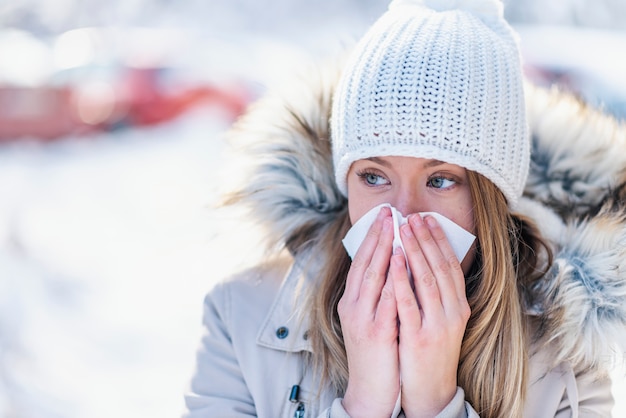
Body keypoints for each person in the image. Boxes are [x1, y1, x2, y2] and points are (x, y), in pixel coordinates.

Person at [184, 0, 626, 416]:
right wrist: (363, 404)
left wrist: (437, 403)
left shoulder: (569, 355)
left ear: (490, 201)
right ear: (346, 181)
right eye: (374, 177)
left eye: (440, 180)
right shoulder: (241, 319)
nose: (403, 214)